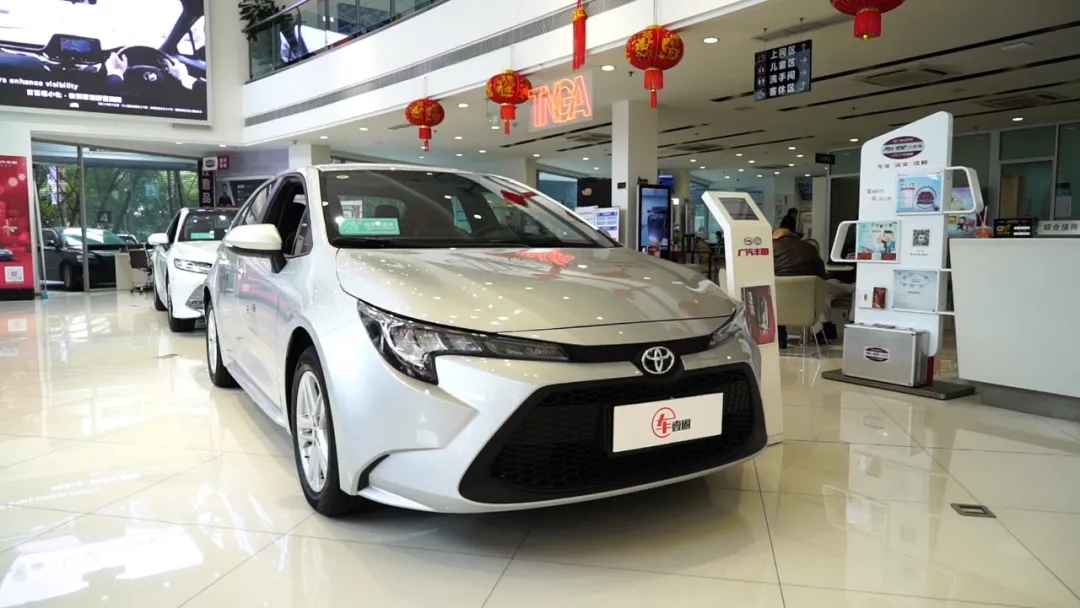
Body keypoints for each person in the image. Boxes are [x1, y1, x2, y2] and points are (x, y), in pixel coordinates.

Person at [772, 227, 825, 348]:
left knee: (772, 297)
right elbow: (821, 275)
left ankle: (780, 338)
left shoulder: (770, 247)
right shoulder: (810, 248)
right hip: (807, 300)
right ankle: (808, 337)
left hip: (778, 299)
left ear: (776, 238)